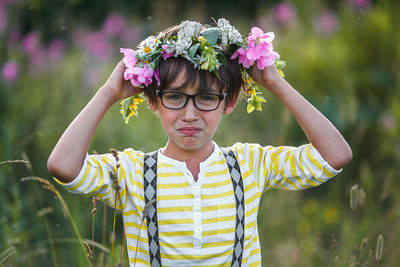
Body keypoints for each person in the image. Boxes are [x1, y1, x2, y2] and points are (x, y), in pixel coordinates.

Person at [47, 19, 352, 266]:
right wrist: (109, 92)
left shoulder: (250, 164)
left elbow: (335, 156)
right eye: (175, 97)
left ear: (229, 101)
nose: (190, 115)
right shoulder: (132, 171)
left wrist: (275, 82)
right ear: (153, 101)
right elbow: (63, 166)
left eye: (206, 98)